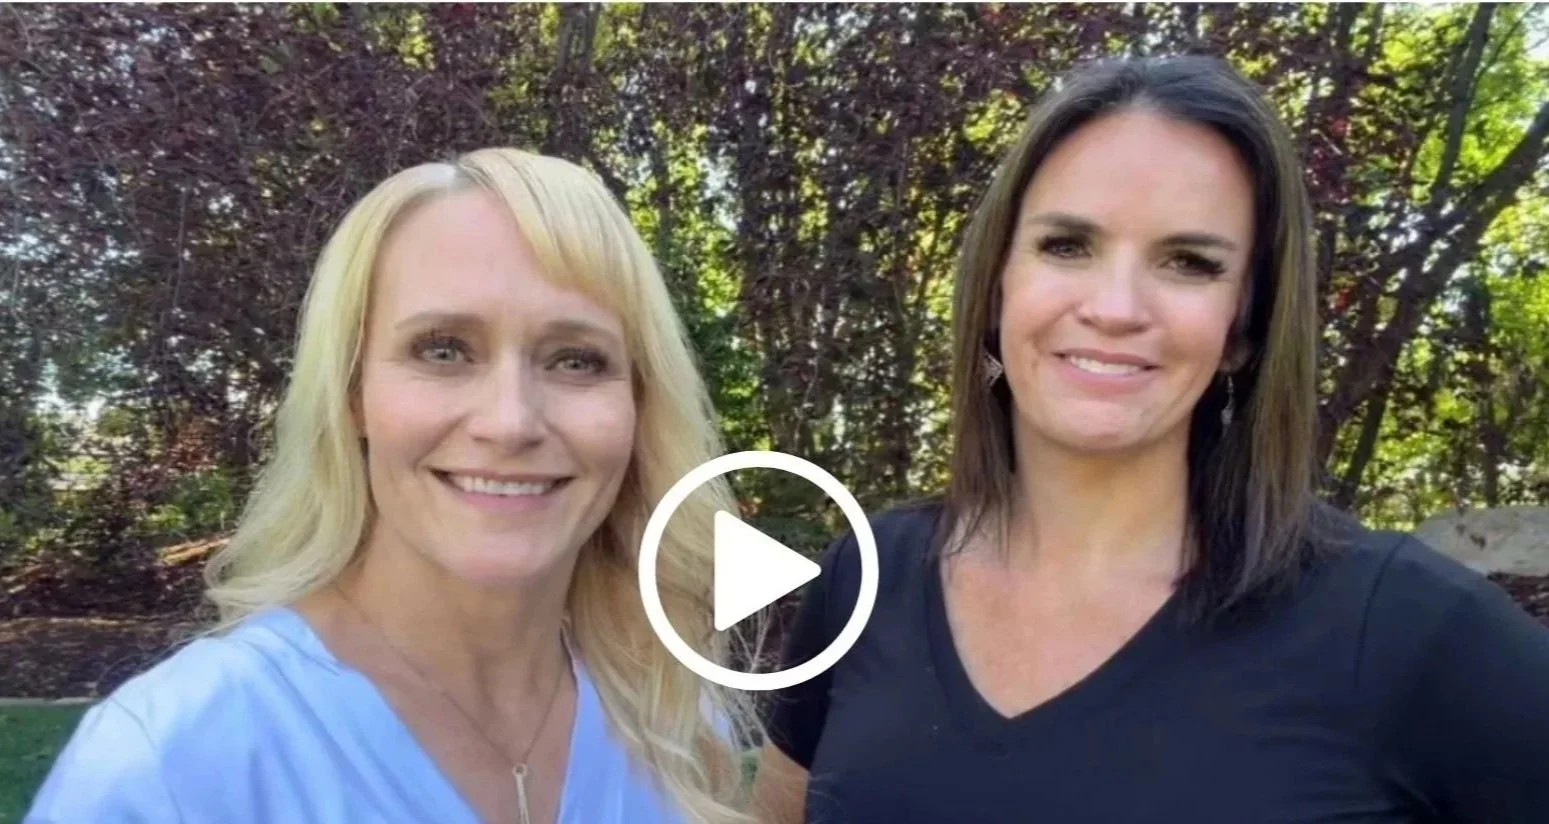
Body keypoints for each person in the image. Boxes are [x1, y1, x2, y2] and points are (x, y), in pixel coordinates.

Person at [752, 55, 1549, 823]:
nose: (1116, 305)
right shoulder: (869, 576)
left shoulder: (1404, 627)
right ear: (998, 287)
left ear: (1243, 328)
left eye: (1189, 262)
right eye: (1067, 246)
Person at [28, 149, 758, 824]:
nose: (509, 422)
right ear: (352, 395)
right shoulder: (173, 765)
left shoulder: (672, 722)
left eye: (575, 360)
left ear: (638, 405)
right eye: (442, 350)